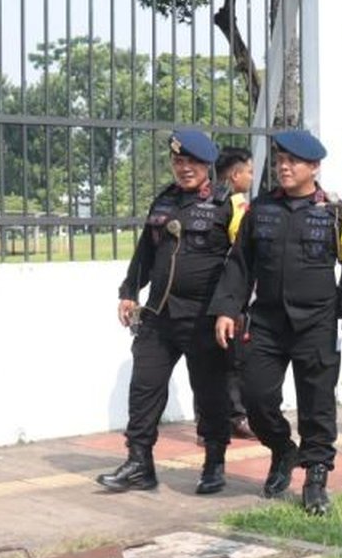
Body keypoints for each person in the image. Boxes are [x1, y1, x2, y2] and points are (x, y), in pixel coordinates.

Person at [210, 130, 342, 515]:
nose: (283, 167)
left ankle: (316, 478)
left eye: (292, 162)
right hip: (266, 321)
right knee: (256, 398)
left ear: (313, 167)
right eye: (280, 160)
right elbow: (240, 264)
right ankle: (283, 449)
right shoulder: (261, 209)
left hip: (316, 322)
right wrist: (226, 310)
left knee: (317, 405)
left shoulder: (335, 212)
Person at [98, 130, 242, 496]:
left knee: (210, 393)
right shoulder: (164, 201)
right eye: (179, 162)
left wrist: (231, 309)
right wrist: (130, 291)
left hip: (205, 317)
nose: (184, 168)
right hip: (159, 313)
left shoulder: (229, 205)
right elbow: (146, 251)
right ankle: (139, 463)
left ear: (207, 165)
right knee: (144, 386)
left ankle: (214, 463)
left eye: (192, 162)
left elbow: (243, 264)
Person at [197, 147, 256, 443]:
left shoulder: (204, 200)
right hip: (229, 295)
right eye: (249, 171)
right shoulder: (236, 204)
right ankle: (236, 417)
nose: (251, 177)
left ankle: (205, 424)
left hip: (202, 294)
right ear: (235, 175)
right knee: (233, 360)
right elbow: (242, 249)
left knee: (204, 362)